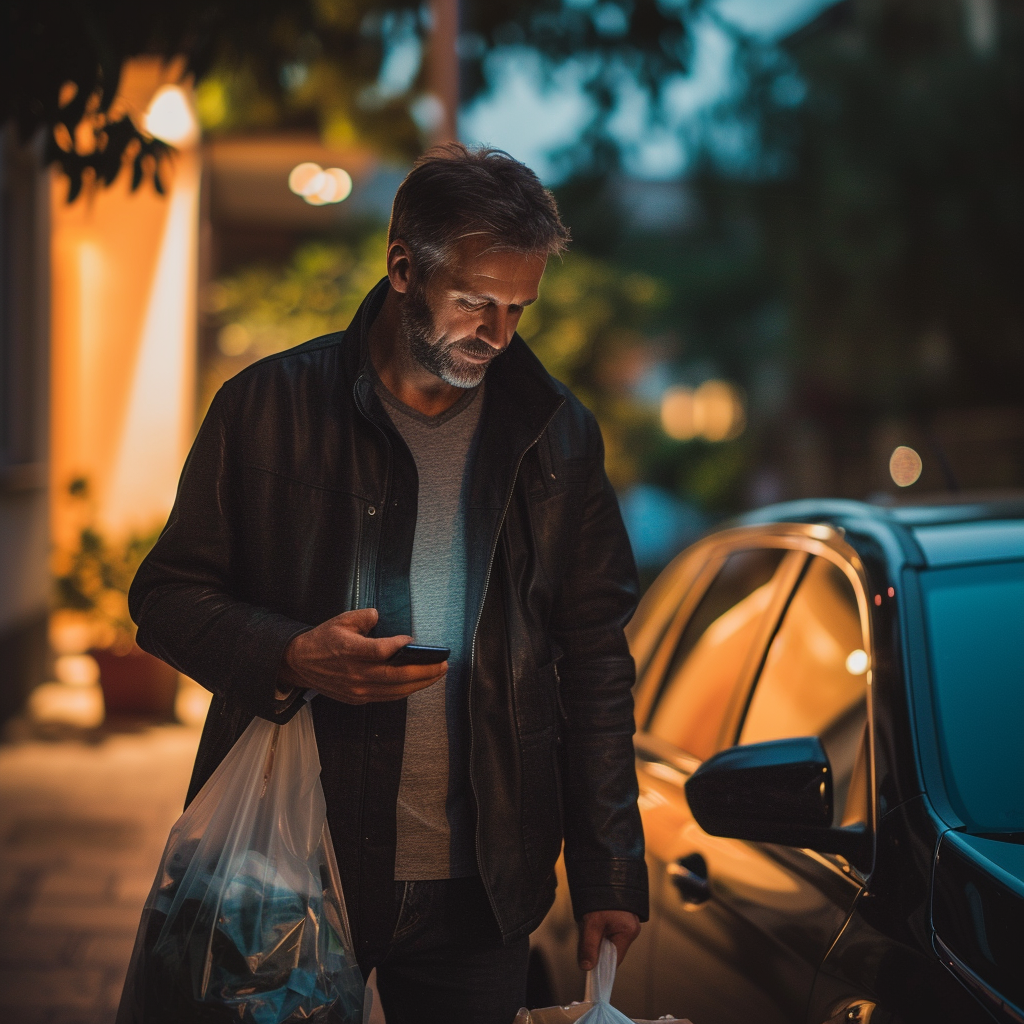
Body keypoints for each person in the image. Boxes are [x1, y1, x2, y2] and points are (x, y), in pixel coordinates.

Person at [128, 143, 647, 1023]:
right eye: (475, 302)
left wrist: (609, 869)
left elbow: (594, 657)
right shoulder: (265, 407)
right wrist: (291, 656)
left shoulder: (556, 436)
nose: (499, 334)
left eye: (519, 308)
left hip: (480, 891)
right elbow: (166, 596)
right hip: (286, 865)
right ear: (404, 269)